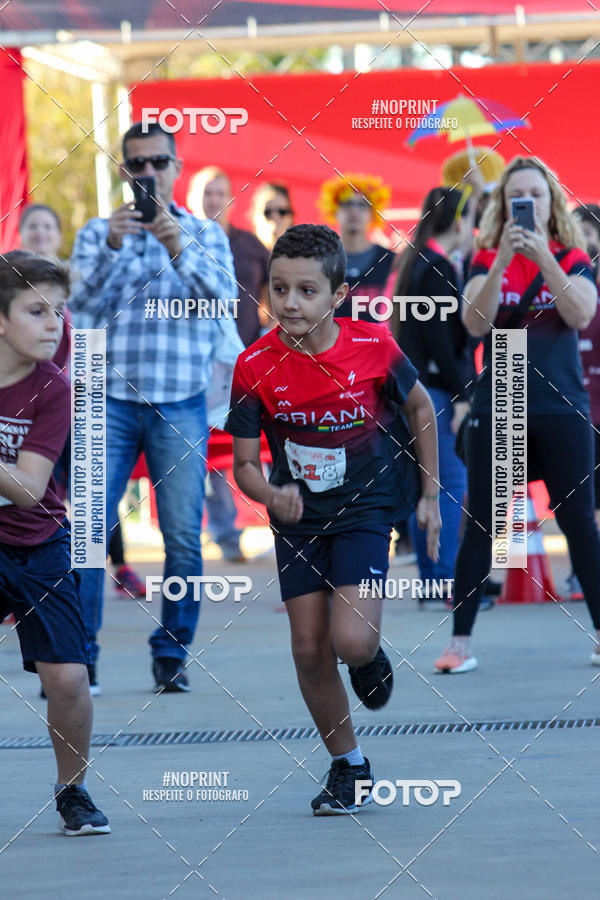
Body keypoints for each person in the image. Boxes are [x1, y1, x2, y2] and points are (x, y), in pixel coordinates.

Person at [226, 224, 441, 814]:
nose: (290, 303)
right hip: (296, 521)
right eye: (279, 288)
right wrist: (270, 494)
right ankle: (348, 765)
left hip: (366, 510)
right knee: (307, 648)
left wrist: (430, 495)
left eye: (307, 291)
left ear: (338, 296)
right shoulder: (254, 366)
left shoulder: (374, 348)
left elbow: (421, 407)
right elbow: (244, 465)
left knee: (349, 640)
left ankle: (368, 656)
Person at [69, 121, 236, 693]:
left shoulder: (205, 234)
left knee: (184, 536)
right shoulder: (97, 232)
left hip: (180, 402)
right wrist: (115, 248)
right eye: (136, 165)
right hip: (108, 401)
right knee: (87, 531)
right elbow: (80, 308)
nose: (148, 174)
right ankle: (80, 656)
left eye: (158, 162)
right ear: (124, 171)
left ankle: (172, 654)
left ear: (177, 167)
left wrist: (176, 246)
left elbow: (222, 302)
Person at [434, 155, 600, 673]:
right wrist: (505, 258)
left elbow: (581, 312)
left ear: (552, 204)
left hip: (561, 405)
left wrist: (546, 261)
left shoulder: (573, 255)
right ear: (504, 208)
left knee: (579, 524)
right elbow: (475, 322)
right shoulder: (485, 257)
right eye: (516, 198)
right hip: (501, 400)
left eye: (537, 195)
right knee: (482, 524)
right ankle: (460, 642)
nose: (527, 206)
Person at [0, 251, 110, 835]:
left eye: (59, 312)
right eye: (37, 311)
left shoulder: (55, 388)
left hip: (38, 541)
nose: (54, 325)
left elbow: (28, 488)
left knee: (67, 678)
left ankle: (73, 792)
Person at [19, 205, 146, 605]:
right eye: (33, 226)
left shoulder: (75, 280)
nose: (40, 232)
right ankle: (26, 577)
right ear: (23, 234)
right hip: (30, 403)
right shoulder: (13, 284)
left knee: (93, 491)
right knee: (36, 487)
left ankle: (120, 565)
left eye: (47, 225)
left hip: (79, 401)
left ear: (59, 235)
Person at [391, 186, 473, 609]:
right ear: (459, 221)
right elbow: (445, 344)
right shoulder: (437, 267)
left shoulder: (417, 261)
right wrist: (464, 394)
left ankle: (433, 580)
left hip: (419, 391)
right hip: (437, 394)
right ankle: (443, 580)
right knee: (449, 483)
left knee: (429, 484)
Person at [188, 166, 271, 561]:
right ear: (194, 197)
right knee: (213, 457)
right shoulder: (182, 241)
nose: (214, 200)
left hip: (247, 362)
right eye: (207, 192)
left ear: (230, 199)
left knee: (263, 447)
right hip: (197, 367)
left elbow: (274, 291)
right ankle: (225, 537)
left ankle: (284, 529)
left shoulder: (250, 245)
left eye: (220, 192)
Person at [318, 173, 395, 323]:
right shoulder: (319, 261)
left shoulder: (392, 262)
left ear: (373, 212)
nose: (354, 211)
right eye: (347, 204)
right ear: (334, 209)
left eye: (362, 204)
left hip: (378, 345)